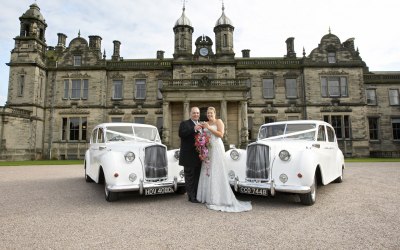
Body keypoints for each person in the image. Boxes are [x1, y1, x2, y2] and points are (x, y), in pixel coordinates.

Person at [197, 107, 252, 212]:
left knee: (217, 170)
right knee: (207, 170)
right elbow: (202, 136)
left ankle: (218, 197)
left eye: (211, 113)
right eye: (208, 113)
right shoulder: (205, 123)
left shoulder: (219, 121)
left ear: (215, 113)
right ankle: (206, 197)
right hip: (208, 149)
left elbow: (221, 134)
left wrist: (209, 127)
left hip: (217, 147)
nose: (209, 115)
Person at [179, 107, 203, 203]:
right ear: (190, 114)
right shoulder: (184, 123)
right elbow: (181, 134)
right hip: (188, 156)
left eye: (197, 113)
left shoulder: (201, 124)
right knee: (190, 177)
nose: (196, 114)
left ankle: (196, 195)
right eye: (194, 113)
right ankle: (191, 197)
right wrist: (193, 129)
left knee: (197, 177)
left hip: (198, 156)